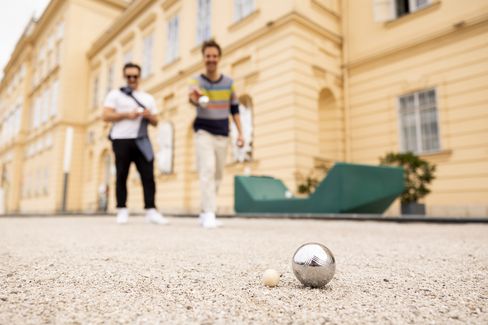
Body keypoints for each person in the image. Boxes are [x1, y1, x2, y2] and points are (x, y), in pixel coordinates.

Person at [103, 62, 168, 225]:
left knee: (148, 175)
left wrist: (147, 115)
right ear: (124, 77)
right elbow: (105, 115)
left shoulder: (148, 98)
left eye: (135, 76)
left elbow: (156, 121)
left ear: (140, 77)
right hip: (121, 140)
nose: (132, 79)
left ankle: (151, 210)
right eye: (129, 76)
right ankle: (122, 209)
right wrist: (127, 115)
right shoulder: (115, 95)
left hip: (142, 140)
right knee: (121, 175)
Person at [188, 40, 244, 228]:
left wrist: (240, 134)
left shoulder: (229, 83)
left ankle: (204, 210)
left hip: (223, 133)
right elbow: (192, 98)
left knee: (218, 174)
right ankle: (210, 213)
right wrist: (196, 97)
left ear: (219, 58)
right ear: (203, 58)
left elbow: (234, 109)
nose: (211, 59)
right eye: (207, 56)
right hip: (203, 131)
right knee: (207, 170)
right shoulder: (196, 81)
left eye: (214, 56)